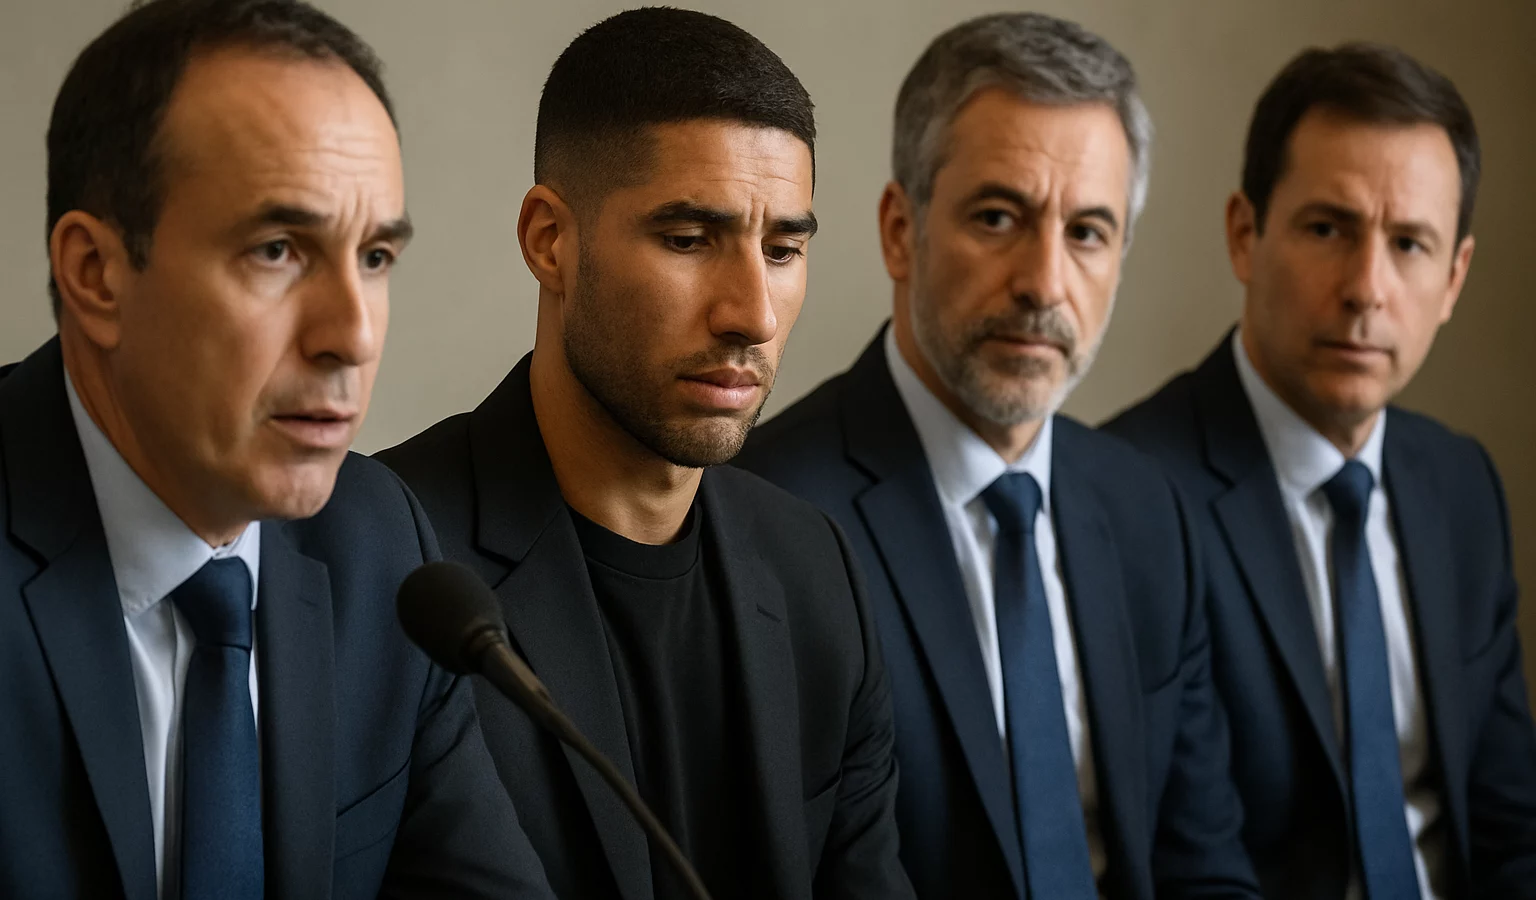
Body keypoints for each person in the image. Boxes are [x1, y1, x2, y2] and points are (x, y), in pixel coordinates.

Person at [0, 1, 554, 898]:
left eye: (375, 257)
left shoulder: (380, 546)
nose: (353, 336)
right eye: (277, 250)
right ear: (96, 275)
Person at [376, 9, 913, 900]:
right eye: (689, 240)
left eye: (783, 249)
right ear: (550, 241)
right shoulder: (382, 558)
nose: (754, 314)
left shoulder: (816, 569)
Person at [736, 13, 1259, 900]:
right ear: (900, 230)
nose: (1043, 283)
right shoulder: (765, 523)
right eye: (997, 217)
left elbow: (1203, 868)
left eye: (1087, 232)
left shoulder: (1148, 511)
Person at [1105, 42, 1536, 900]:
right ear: (1245, 235)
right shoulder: (1128, 498)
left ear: (1454, 279)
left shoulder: (1460, 486)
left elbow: (1512, 826)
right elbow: (1183, 869)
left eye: (1409, 243)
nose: (1367, 287)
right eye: (1328, 228)